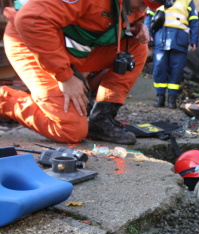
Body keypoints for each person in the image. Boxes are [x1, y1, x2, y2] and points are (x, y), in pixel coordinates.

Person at [0, 0, 166, 145]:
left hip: (67, 50)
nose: (143, 10)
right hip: (31, 42)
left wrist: (136, 27)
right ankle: (4, 100)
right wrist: (65, 77)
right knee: (70, 130)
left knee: (137, 47)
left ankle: (101, 119)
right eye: (143, 3)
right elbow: (30, 20)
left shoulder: (133, 6)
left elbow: (110, 19)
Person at [146, 0, 199, 109]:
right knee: (159, 67)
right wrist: (148, 34)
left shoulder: (188, 1)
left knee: (177, 68)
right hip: (161, 34)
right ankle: (160, 96)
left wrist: (194, 39)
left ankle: (172, 98)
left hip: (180, 36)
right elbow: (149, 16)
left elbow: (194, 20)